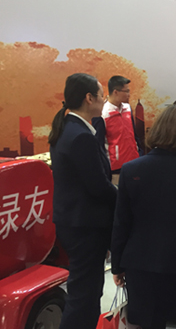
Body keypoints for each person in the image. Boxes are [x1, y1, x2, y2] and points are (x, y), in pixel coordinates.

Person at [111, 105, 176, 329]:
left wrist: (117, 267)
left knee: (149, 322)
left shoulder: (130, 170)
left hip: (141, 262)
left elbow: (121, 223)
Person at [48, 73, 117, 329]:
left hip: (74, 223)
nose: (103, 100)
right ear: (89, 98)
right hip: (85, 226)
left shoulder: (67, 128)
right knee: (84, 296)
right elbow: (98, 186)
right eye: (101, 95)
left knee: (87, 291)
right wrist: (127, 197)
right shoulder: (81, 136)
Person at [93, 75, 143, 185]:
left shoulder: (127, 108)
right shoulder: (102, 114)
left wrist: (140, 152)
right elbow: (98, 145)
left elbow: (134, 134)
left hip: (134, 161)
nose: (129, 94)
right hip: (115, 168)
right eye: (126, 91)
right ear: (115, 92)